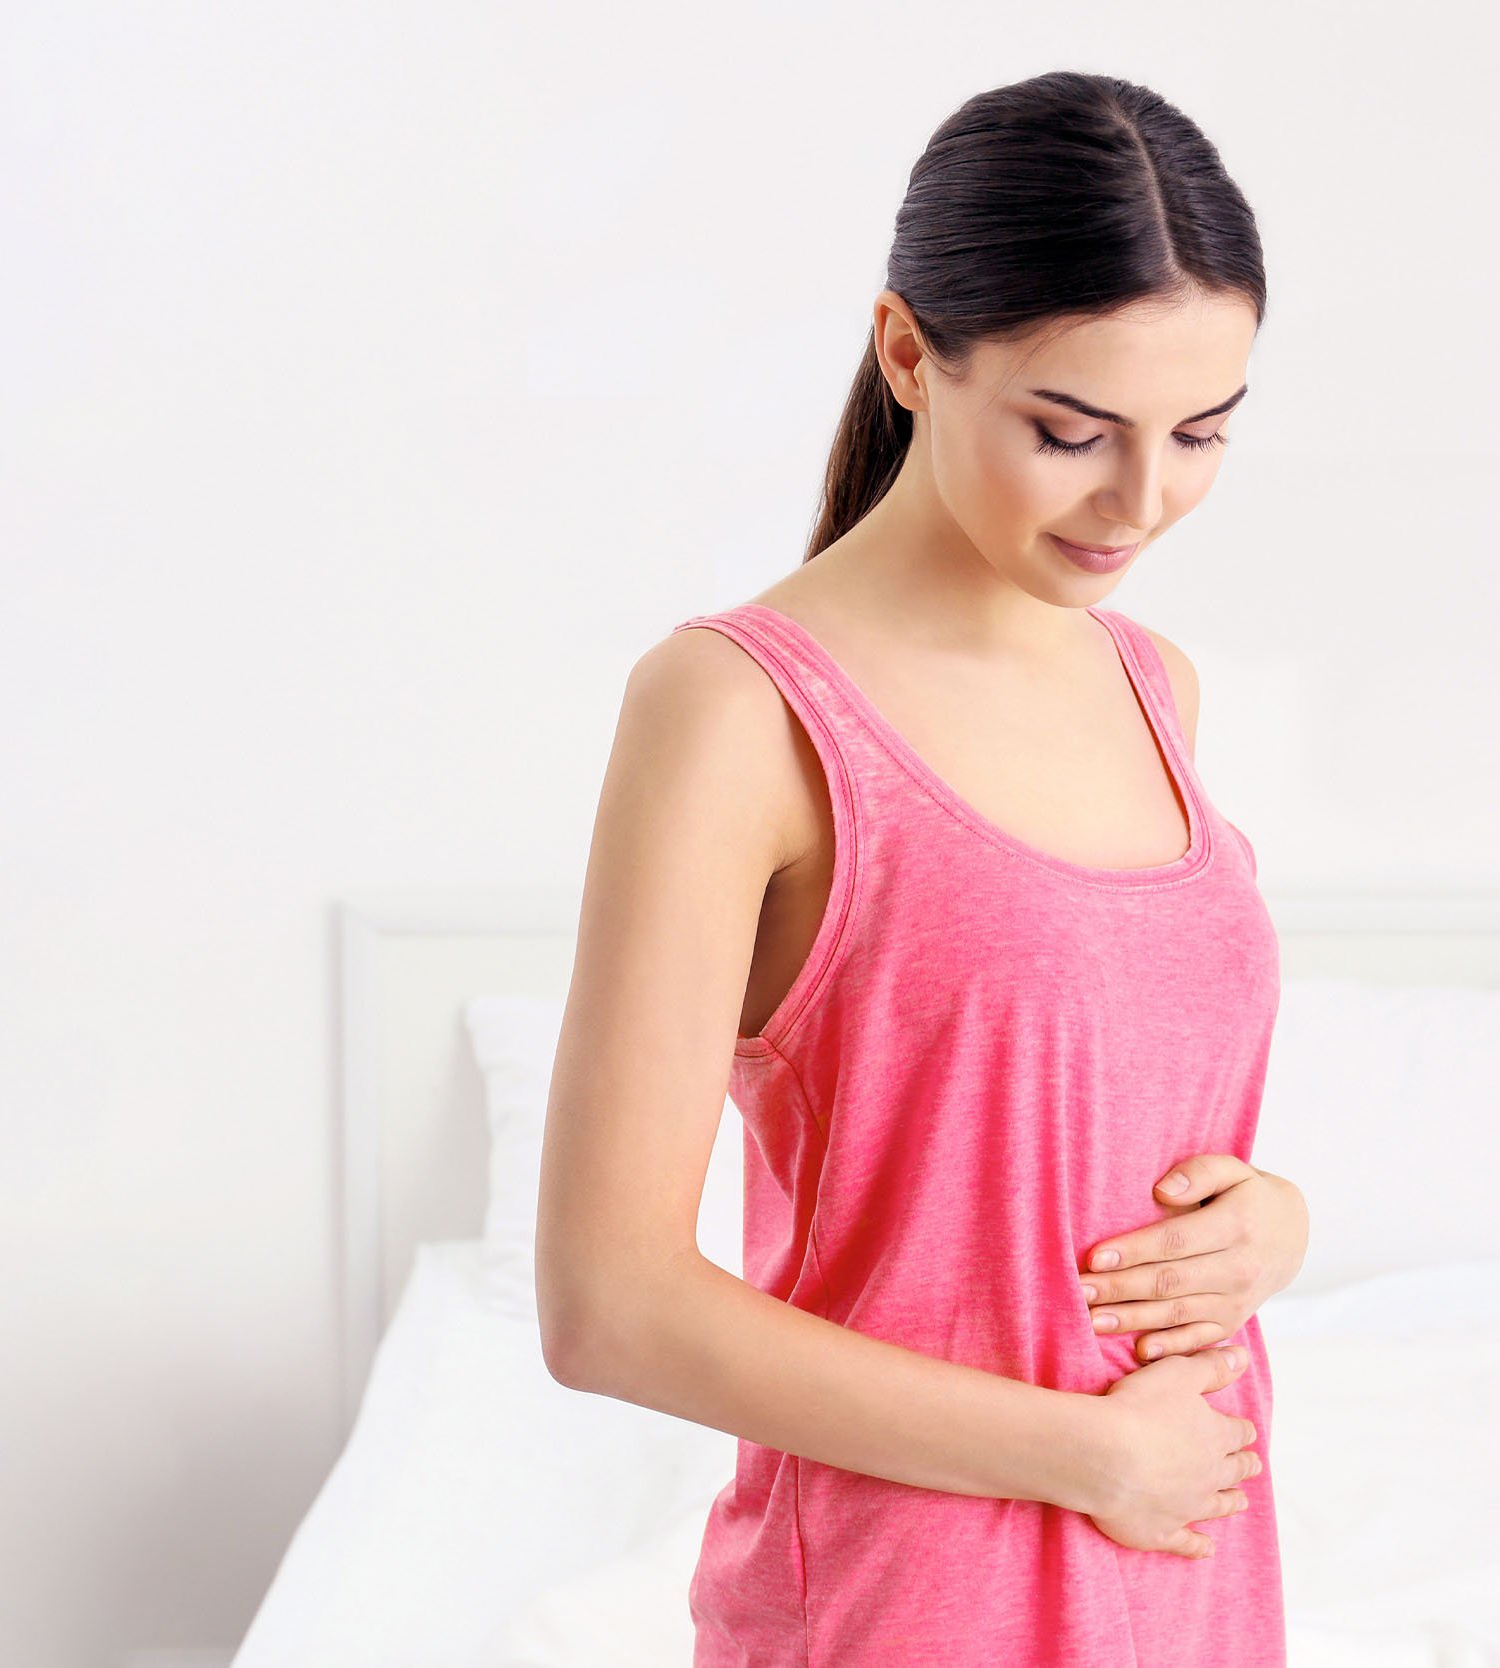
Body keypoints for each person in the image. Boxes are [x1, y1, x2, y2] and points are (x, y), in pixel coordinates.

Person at [538, 69, 1308, 1665]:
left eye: (1201, 434)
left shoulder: (1155, 687)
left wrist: (1269, 1231)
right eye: (1069, 432)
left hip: (1185, 1583)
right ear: (908, 352)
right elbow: (605, 1304)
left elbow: (1091, 1141)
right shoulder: (739, 710)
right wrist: (1084, 1453)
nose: (1142, 501)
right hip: (915, 1610)